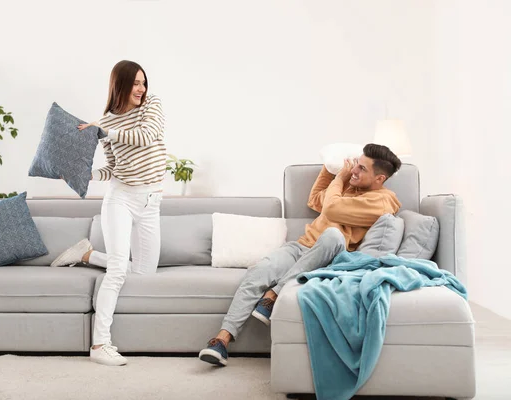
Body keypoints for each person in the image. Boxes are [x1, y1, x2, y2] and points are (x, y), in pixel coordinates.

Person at [198, 143, 402, 366]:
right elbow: (314, 199)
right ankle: (222, 340)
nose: (354, 170)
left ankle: (273, 295)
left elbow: (331, 209)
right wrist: (330, 165)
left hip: (329, 255)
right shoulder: (348, 187)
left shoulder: (383, 200)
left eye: (362, 168)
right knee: (259, 271)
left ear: (379, 178)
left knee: (332, 234)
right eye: (356, 165)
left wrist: (340, 178)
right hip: (300, 248)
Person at [50, 60, 166, 367]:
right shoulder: (107, 121)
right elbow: (113, 168)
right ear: (121, 85)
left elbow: (147, 135)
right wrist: (84, 175)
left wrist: (105, 130)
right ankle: (100, 345)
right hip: (121, 199)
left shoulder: (151, 106)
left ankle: (87, 255)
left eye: (144, 82)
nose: (142, 89)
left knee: (143, 274)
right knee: (117, 270)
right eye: (136, 83)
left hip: (151, 201)